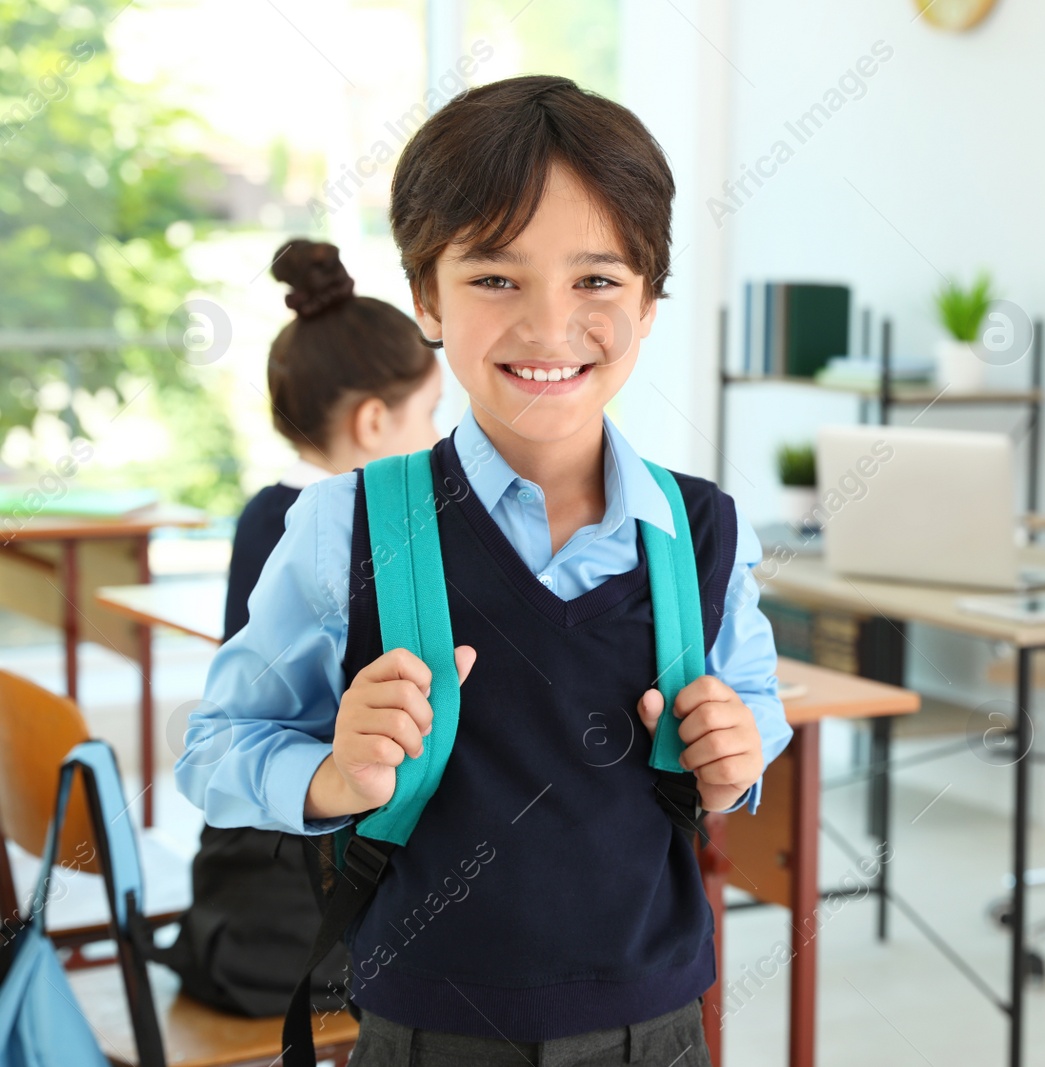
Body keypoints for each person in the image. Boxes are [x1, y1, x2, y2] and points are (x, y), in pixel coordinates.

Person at [176, 76, 790, 1067]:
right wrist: (334, 774)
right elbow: (217, 747)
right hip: (429, 1029)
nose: (549, 327)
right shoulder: (344, 523)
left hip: (659, 1026)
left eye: (596, 279)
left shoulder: (704, 529)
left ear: (650, 298)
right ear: (426, 296)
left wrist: (736, 754)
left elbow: (754, 707)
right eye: (496, 278)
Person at [159, 239, 442, 1017]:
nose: (440, 437)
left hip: (262, 839)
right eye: (432, 414)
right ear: (378, 420)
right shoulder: (355, 528)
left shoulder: (262, 509)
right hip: (313, 860)